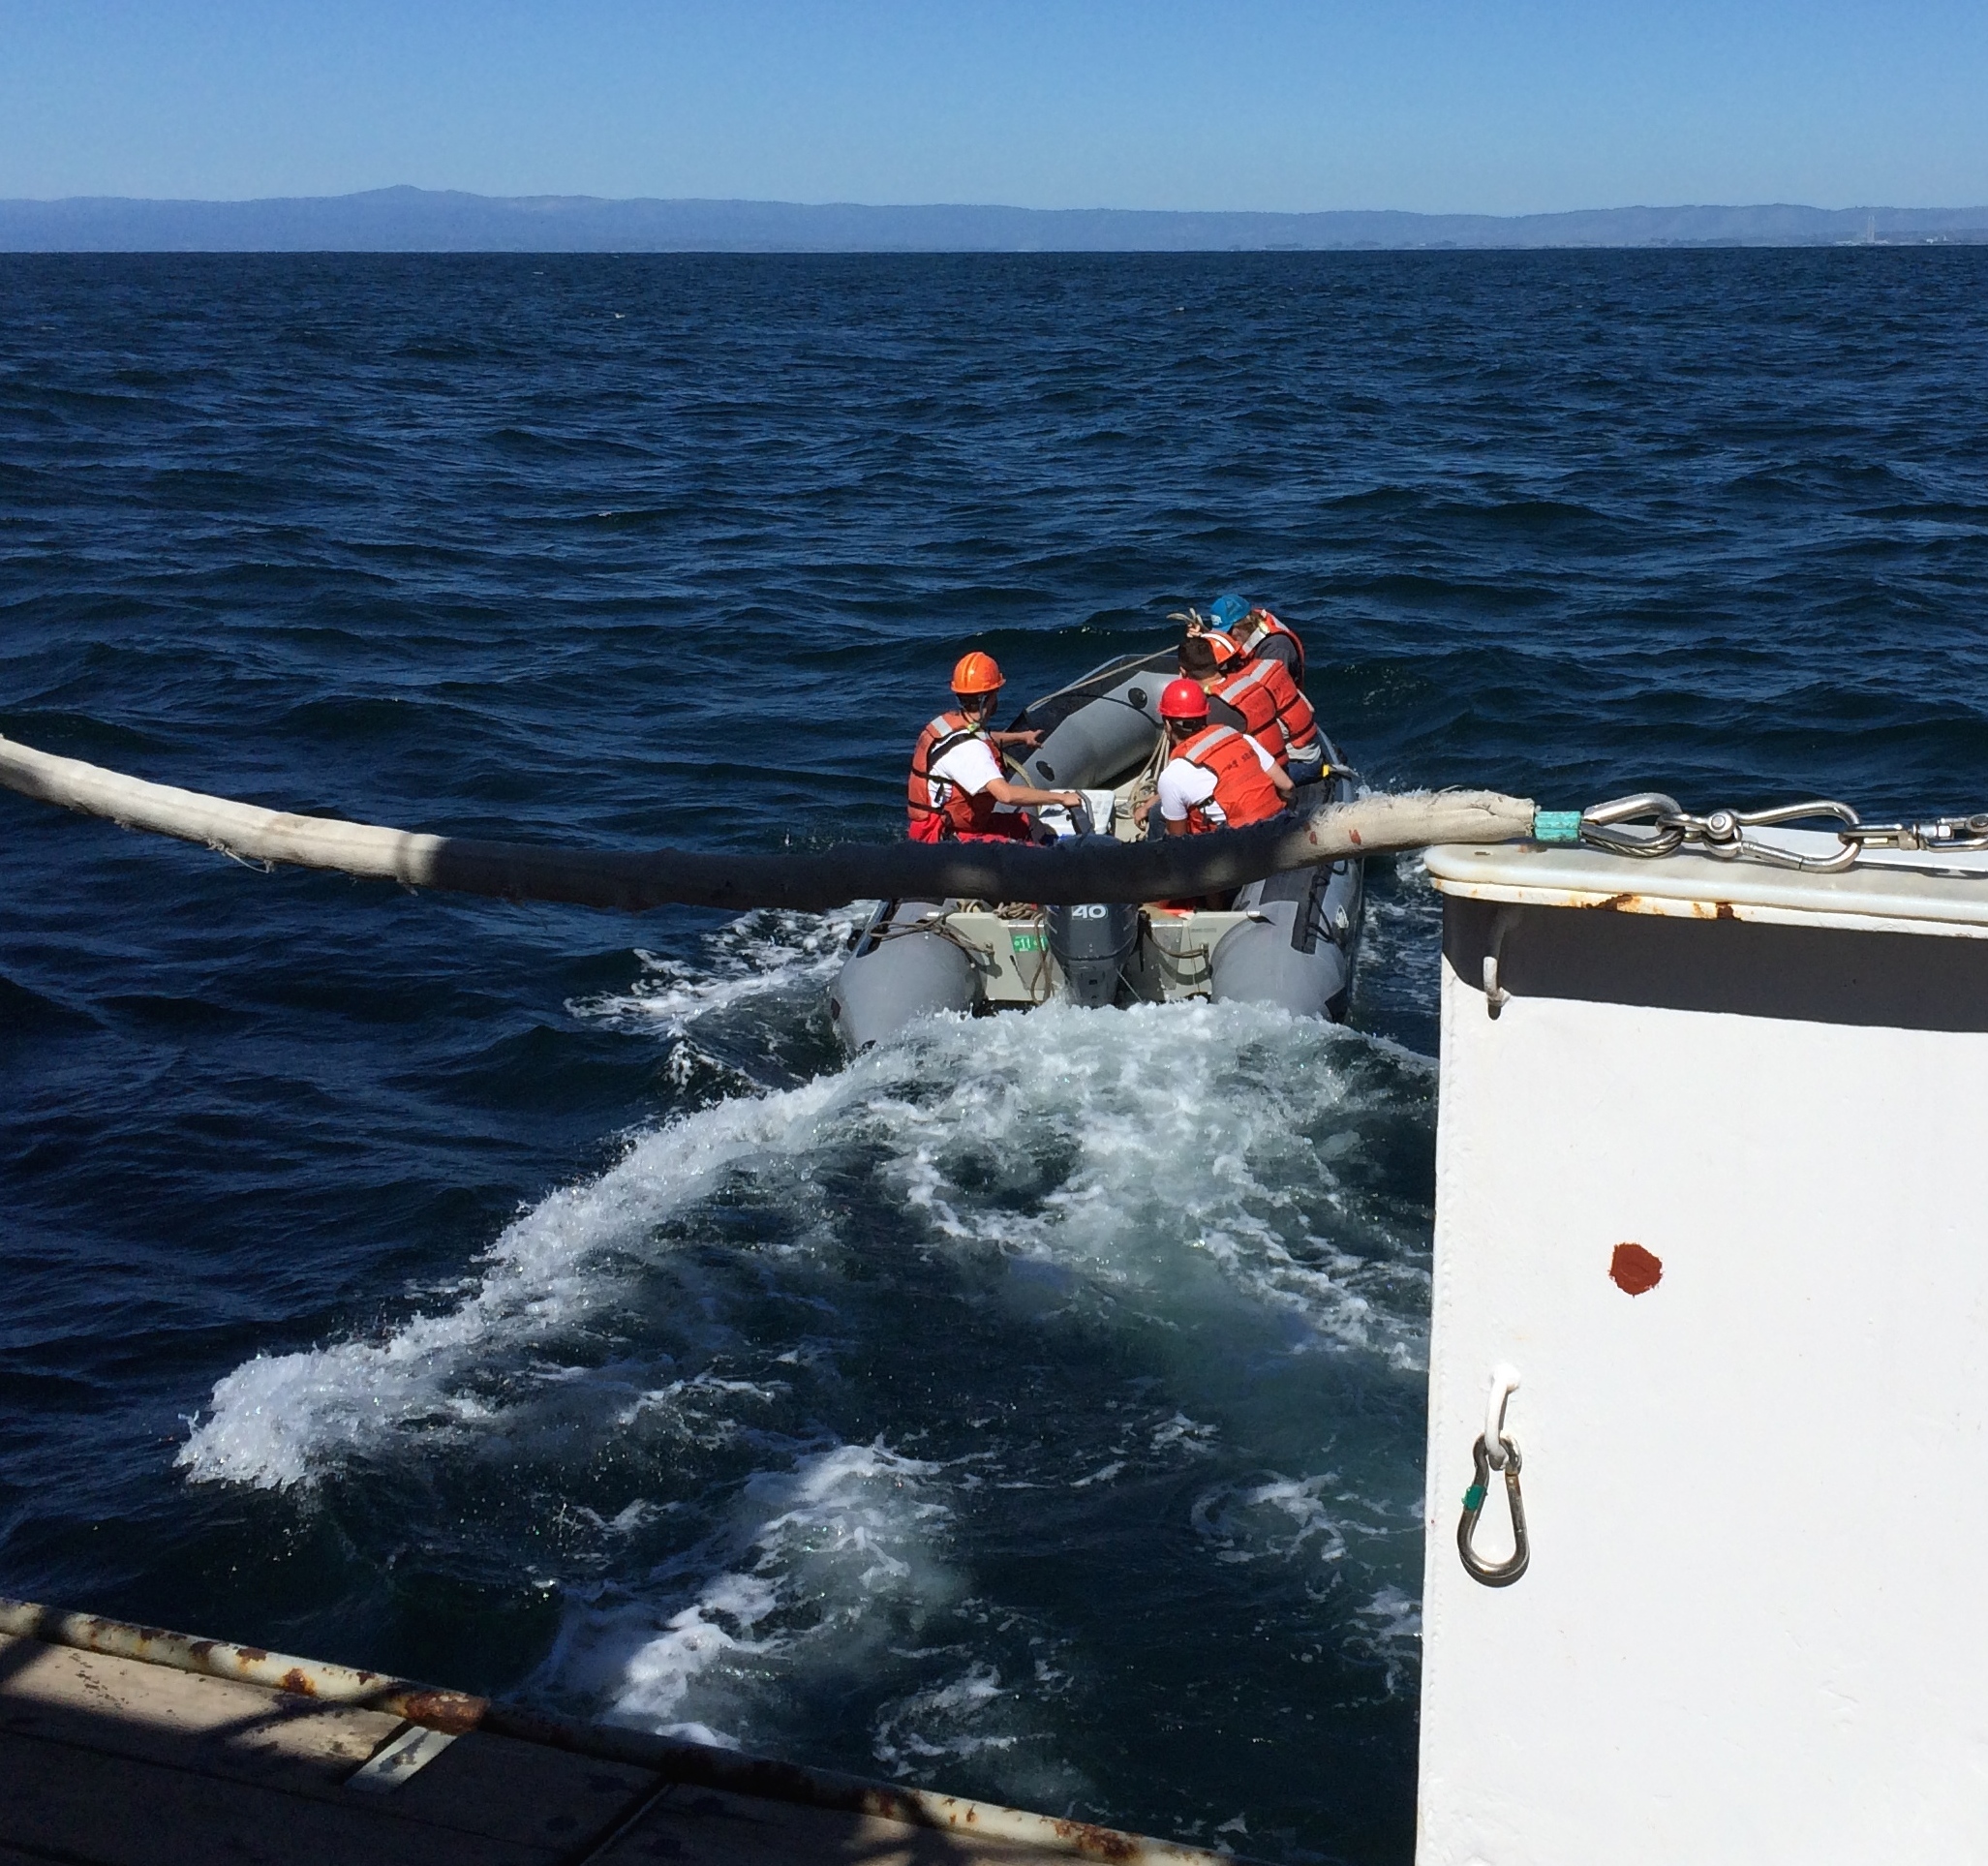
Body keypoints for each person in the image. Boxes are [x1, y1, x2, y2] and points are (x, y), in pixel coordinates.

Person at [906, 651, 1081, 843]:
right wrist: (1061, 798)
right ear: (987, 699)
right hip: (947, 838)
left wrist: (1021, 737)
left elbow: (981, 737)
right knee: (1026, 851)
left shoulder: (949, 723)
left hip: (951, 824)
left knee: (1029, 825)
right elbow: (1006, 795)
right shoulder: (970, 751)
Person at [1133, 676, 1292, 840]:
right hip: (1278, 829)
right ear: (1205, 716)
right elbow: (1287, 786)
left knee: (1158, 818)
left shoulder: (1172, 776)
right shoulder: (1242, 739)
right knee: (1158, 808)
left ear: (1167, 724)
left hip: (1237, 849)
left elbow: (1177, 840)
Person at [1230, 603, 1306, 684]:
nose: (1225, 637)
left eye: (1228, 632)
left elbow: (1273, 686)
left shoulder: (1276, 647)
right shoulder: (1248, 635)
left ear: (1243, 625)